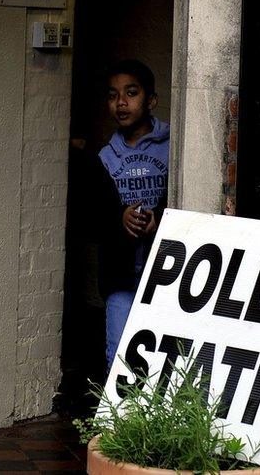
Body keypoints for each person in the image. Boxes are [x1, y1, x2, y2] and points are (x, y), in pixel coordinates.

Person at [96, 59, 169, 373]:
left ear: (151, 101)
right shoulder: (104, 157)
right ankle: (121, 423)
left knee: (164, 358)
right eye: (113, 95)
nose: (121, 102)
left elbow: (188, 203)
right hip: (121, 278)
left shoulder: (173, 147)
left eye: (132, 93)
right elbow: (92, 214)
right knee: (119, 358)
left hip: (166, 277)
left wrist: (160, 221)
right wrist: (119, 219)